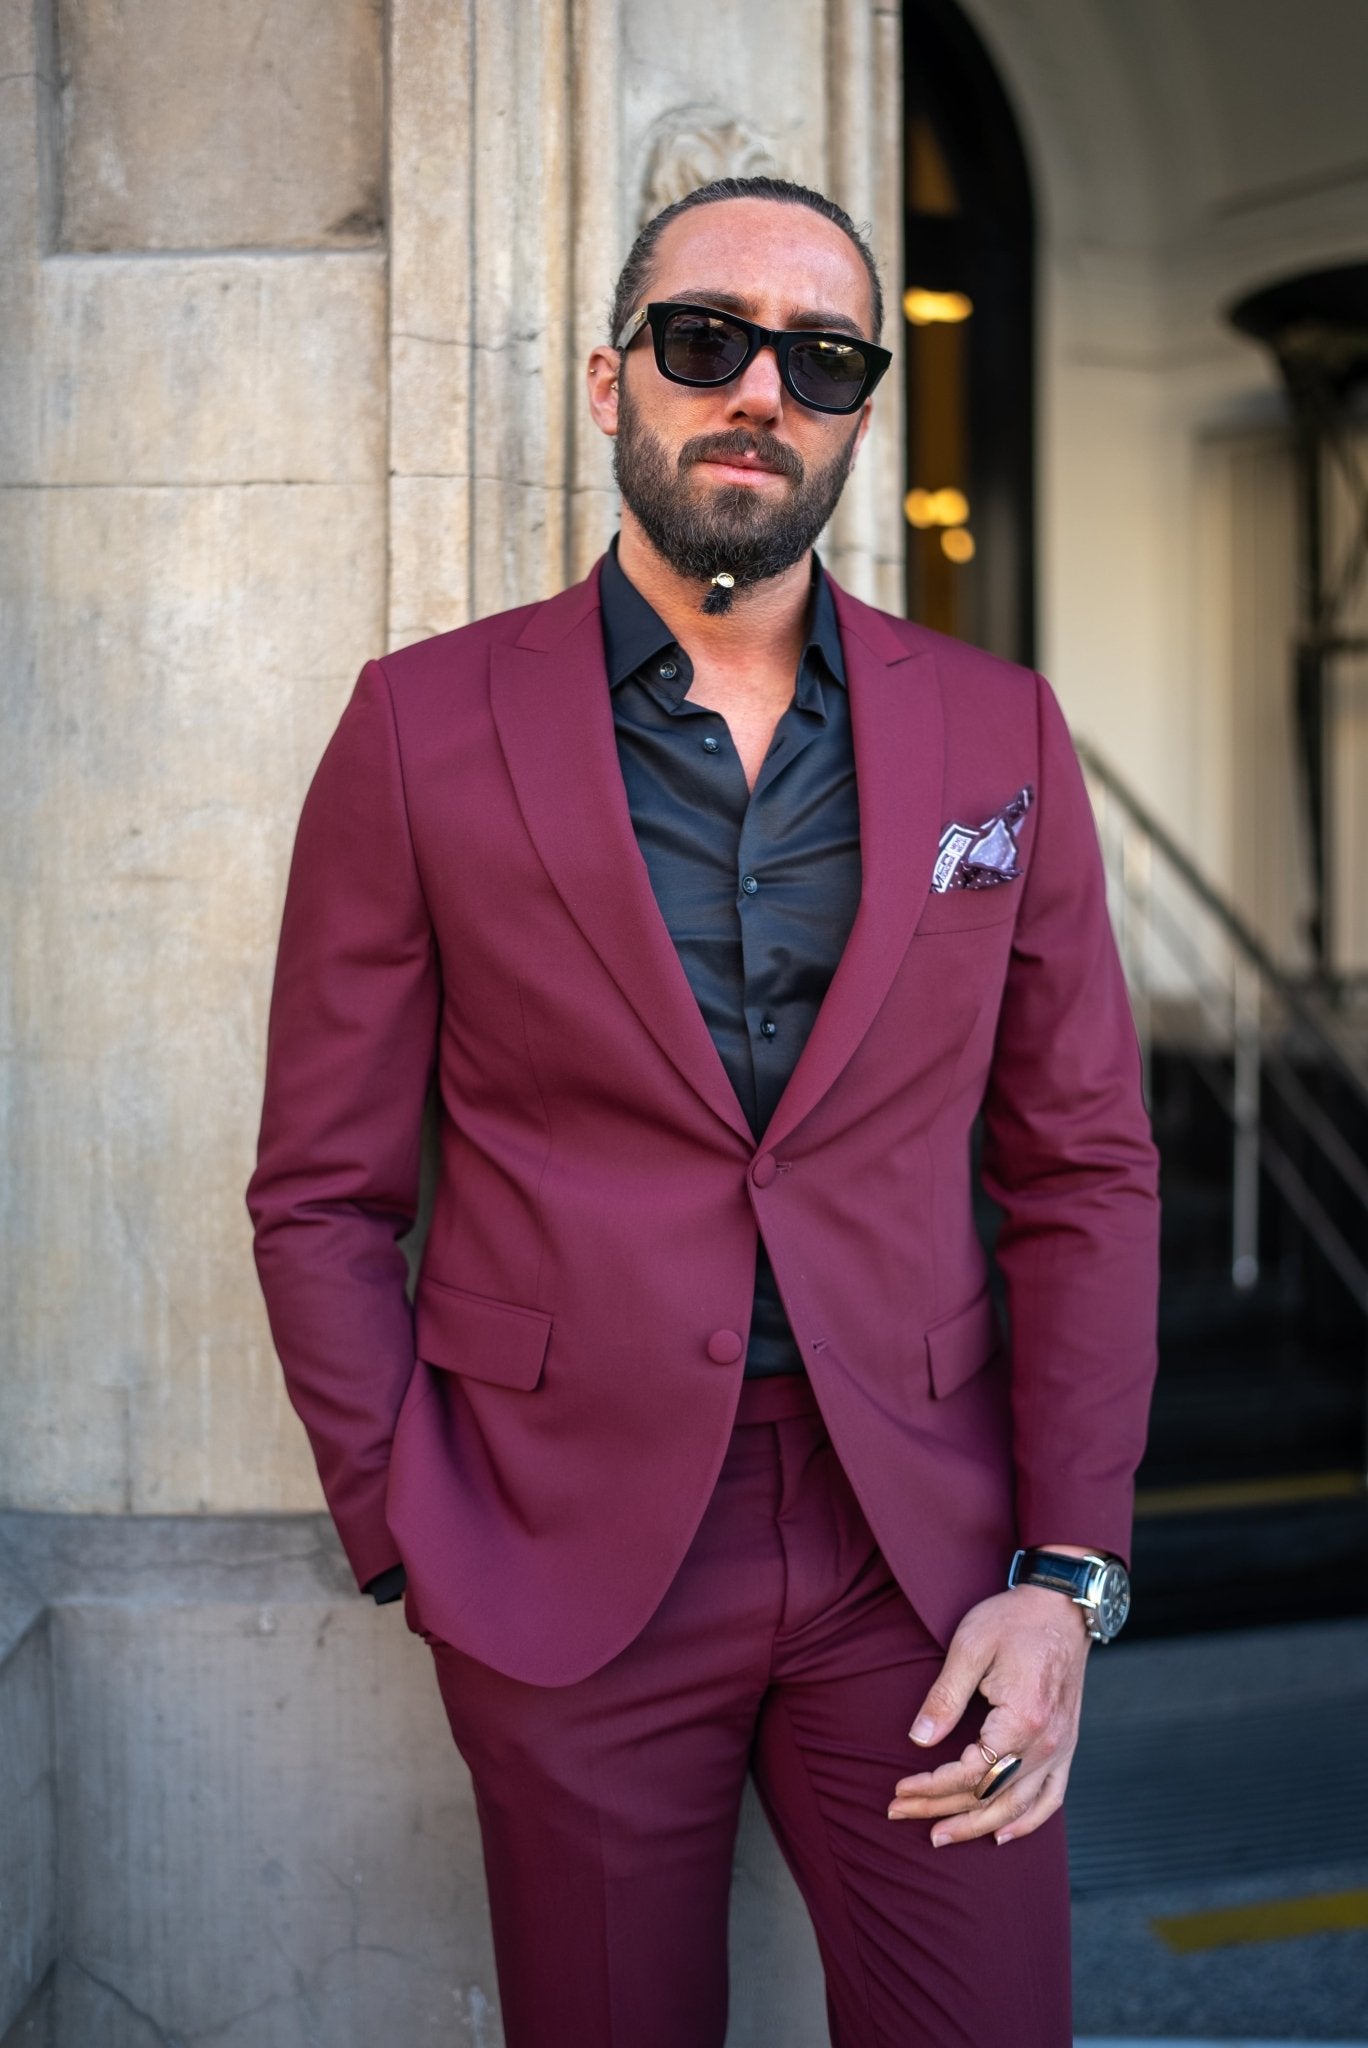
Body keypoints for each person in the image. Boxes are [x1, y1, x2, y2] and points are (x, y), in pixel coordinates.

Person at [248, 175, 1159, 2048]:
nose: (759, 387)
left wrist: (1069, 1571)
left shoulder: (1000, 732)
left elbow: (1083, 1166)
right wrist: (412, 1522)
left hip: (918, 1547)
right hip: (557, 1547)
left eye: (820, 359)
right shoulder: (420, 727)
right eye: (703, 340)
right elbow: (321, 1190)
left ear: (857, 412)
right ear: (611, 383)